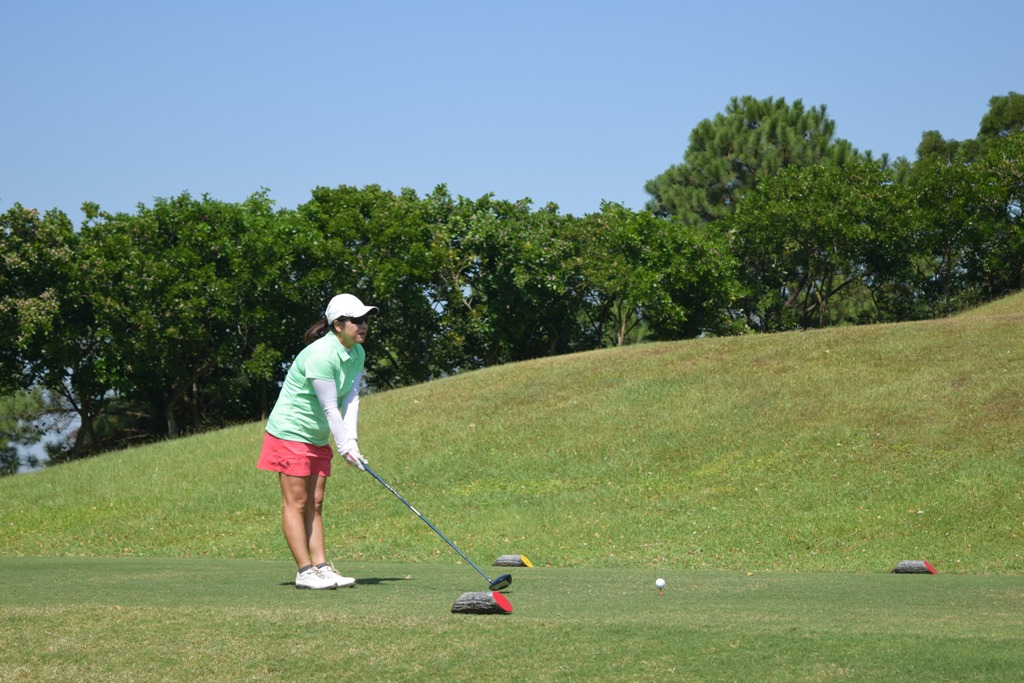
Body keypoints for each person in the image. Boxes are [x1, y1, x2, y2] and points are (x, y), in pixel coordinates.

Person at [257, 293, 378, 590]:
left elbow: (351, 397)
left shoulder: (357, 353)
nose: (363, 325)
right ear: (338, 324)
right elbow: (329, 406)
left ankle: (321, 567)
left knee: (316, 501)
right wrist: (344, 446)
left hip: (316, 436)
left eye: (365, 319)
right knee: (297, 502)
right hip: (290, 432)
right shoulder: (321, 355)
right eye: (356, 320)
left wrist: (352, 441)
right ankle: (305, 571)